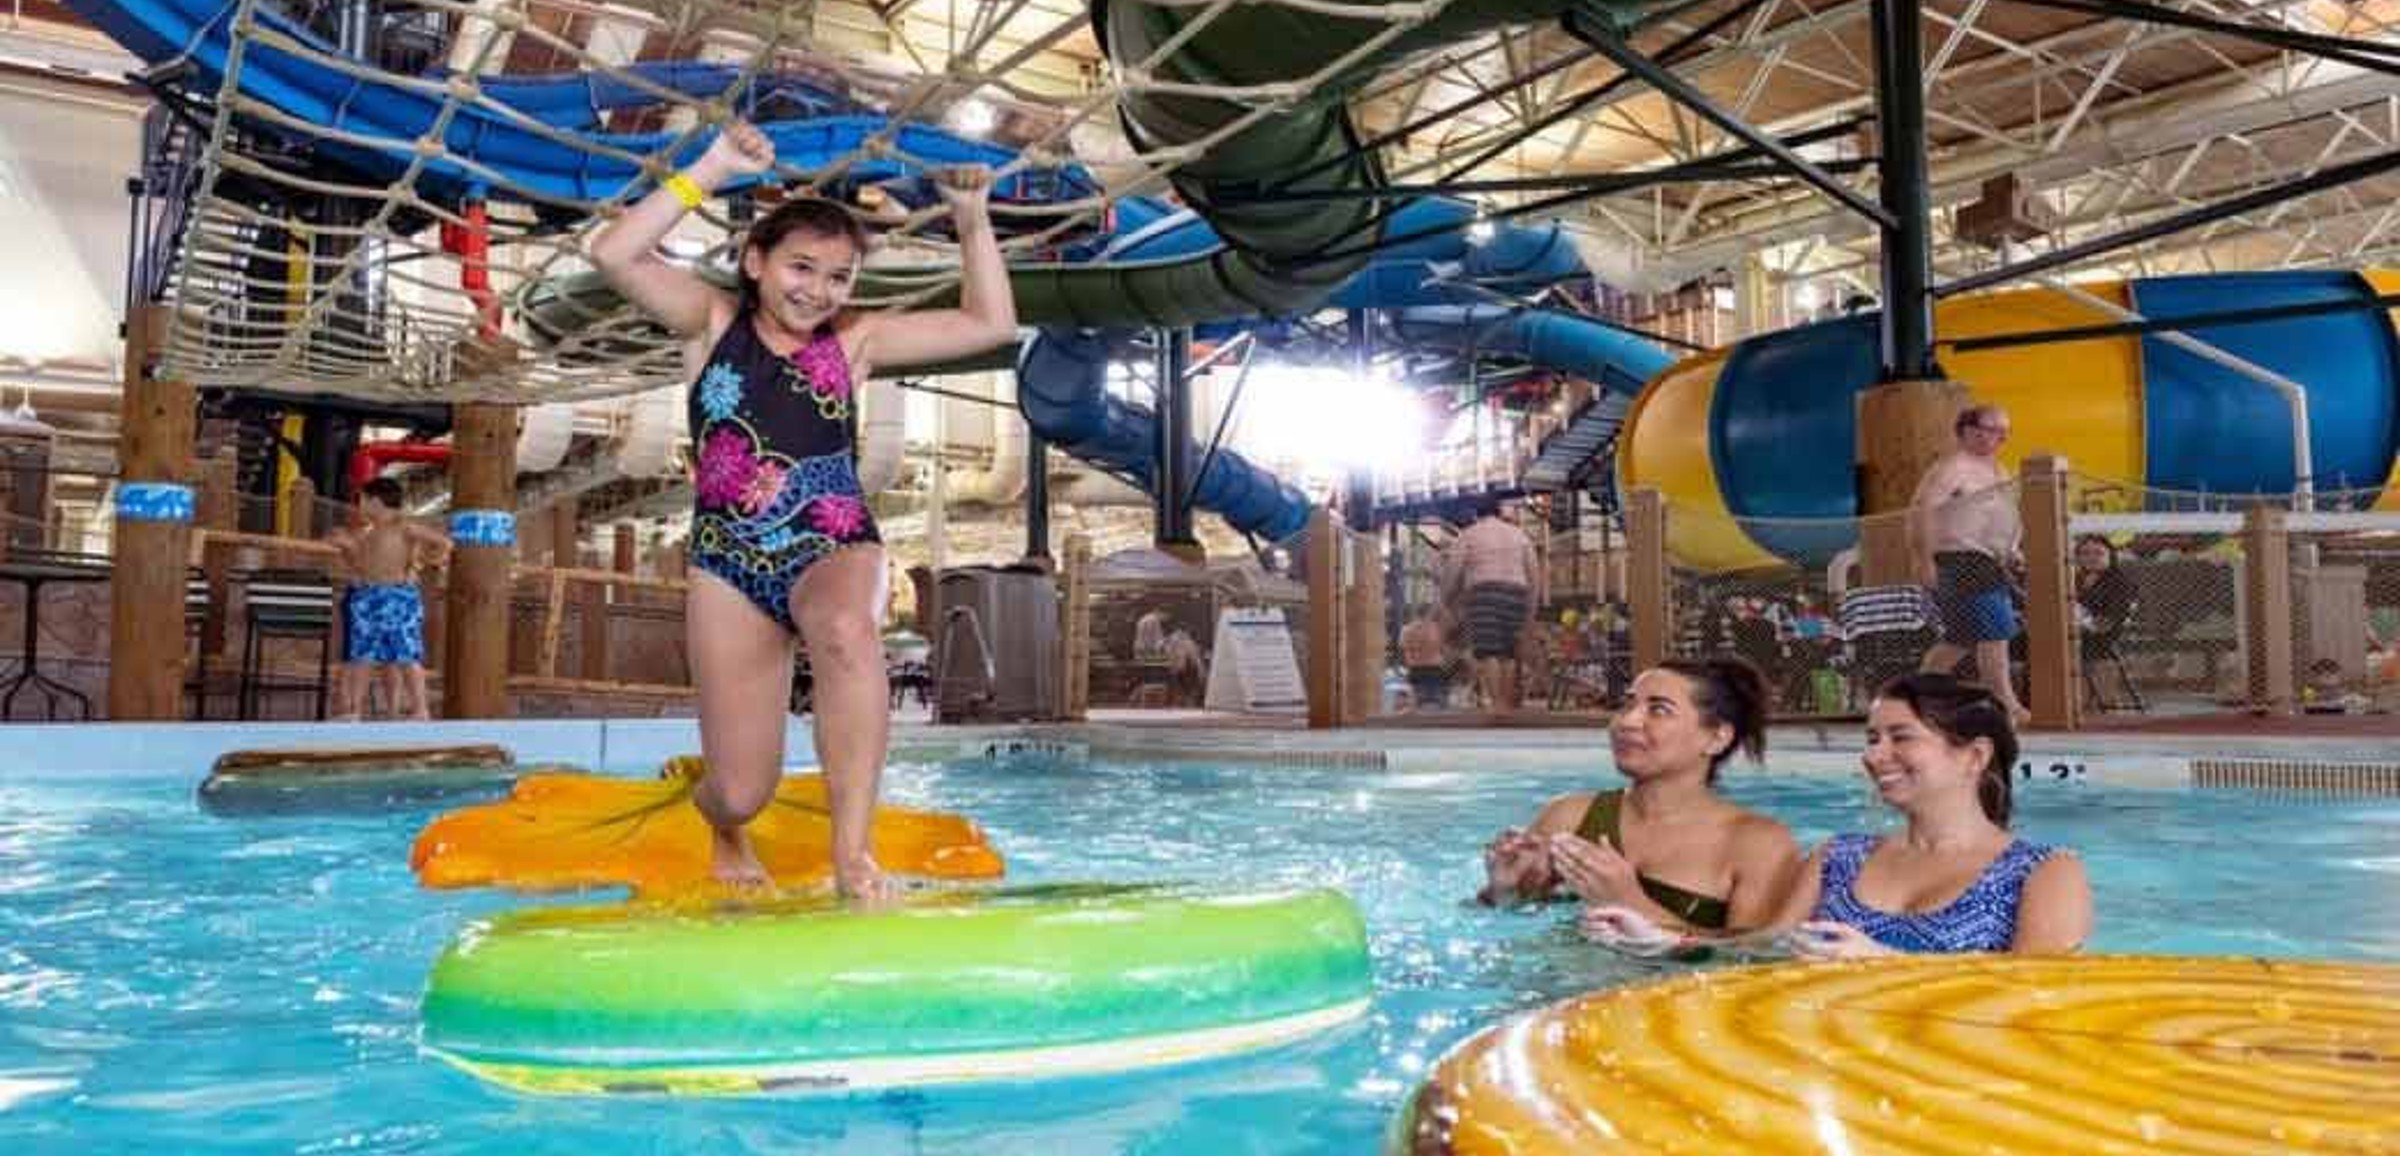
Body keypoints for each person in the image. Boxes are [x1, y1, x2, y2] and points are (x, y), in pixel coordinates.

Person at [588, 121, 1017, 895]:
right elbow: (611, 253)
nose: (818, 291)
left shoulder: (855, 340)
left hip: (834, 540)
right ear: (756, 263)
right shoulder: (711, 323)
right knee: (740, 788)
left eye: (839, 277)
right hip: (730, 561)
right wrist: (712, 166)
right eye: (802, 267)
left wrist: (972, 220)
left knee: (851, 632)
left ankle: (853, 855)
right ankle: (720, 817)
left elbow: (990, 325)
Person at [1584, 672, 2091, 958]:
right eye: (1872, 739)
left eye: (1901, 737)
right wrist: (1662, 940)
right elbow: (1761, 951)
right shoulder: (1838, 857)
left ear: (1974, 756)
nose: (1875, 755)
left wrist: (1888, 966)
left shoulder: (2043, 872)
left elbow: (2035, 997)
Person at [1478, 658, 1800, 934]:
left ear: (1717, 738)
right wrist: (1504, 892)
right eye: (1627, 704)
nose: (1627, 721)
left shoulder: (1758, 844)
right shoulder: (1568, 817)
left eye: (1658, 710)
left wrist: (1633, 904)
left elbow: (1757, 962)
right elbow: (1503, 927)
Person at [1912, 404, 2032, 727]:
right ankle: (2008, 705)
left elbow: (2000, 517)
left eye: (2005, 431)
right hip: (1958, 560)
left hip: (1990, 560)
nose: (2002, 437)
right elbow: (1922, 510)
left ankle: (1918, 697)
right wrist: (1923, 559)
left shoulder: (1998, 470)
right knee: (1997, 631)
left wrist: (2012, 549)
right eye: (1994, 429)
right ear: (1968, 430)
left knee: (1960, 639)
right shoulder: (1953, 468)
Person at [326, 477, 450, 721]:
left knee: (406, 654)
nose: (358, 506)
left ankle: (420, 709)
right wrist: (347, 549)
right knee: (361, 654)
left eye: (361, 500)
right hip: (368, 596)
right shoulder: (367, 534)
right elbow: (362, 566)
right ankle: (355, 711)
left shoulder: (404, 527)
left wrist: (423, 562)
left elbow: (444, 543)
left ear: (375, 501)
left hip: (398, 597)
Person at [1442, 498, 1543, 714]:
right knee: (1508, 652)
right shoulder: (1519, 535)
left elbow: (1453, 571)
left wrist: (1446, 599)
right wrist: (1531, 610)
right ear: (1499, 512)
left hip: (1483, 592)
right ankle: (1506, 703)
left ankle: (1496, 703)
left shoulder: (1468, 534)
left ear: (1475, 514)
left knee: (1488, 651)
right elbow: (1534, 573)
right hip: (1517, 592)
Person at [2073, 535, 2139, 708]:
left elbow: (2113, 618)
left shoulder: (2121, 582)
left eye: (2098, 553)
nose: (2091, 558)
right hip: (2076, 629)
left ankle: (2097, 698)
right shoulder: (2074, 579)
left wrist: (2086, 623)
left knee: (2085, 645)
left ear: (2110, 555)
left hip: (2108, 631)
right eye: (2085, 553)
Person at [1398, 605, 1450, 711]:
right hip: (1435, 668)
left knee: (1416, 702)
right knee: (1438, 702)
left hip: (1415, 668)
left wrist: (1410, 666)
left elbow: (1404, 651)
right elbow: (1443, 648)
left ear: (1416, 613)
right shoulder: (1436, 628)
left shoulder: (1406, 629)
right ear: (1429, 614)